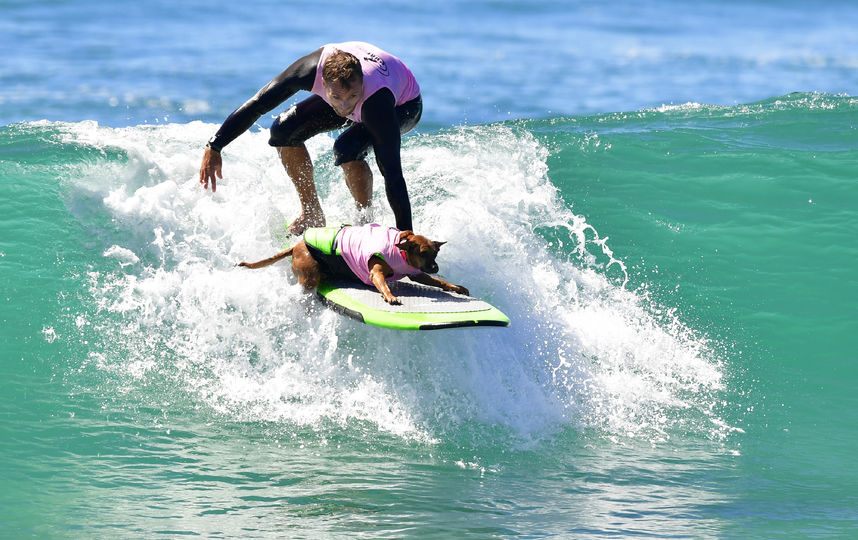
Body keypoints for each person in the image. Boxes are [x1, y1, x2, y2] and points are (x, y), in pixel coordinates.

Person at [199, 41, 422, 235]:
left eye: (353, 95)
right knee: (283, 130)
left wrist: (407, 240)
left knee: (347, 147)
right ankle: (311, 214)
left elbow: (393, 174)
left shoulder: (376, 102)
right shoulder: (307, 71)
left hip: (404, 106)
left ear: (362, 82)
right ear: (323, 84)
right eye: (336, 97)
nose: (345, 106)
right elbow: (258, 104)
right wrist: (215, 145)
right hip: (357, 91)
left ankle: (364, 224)